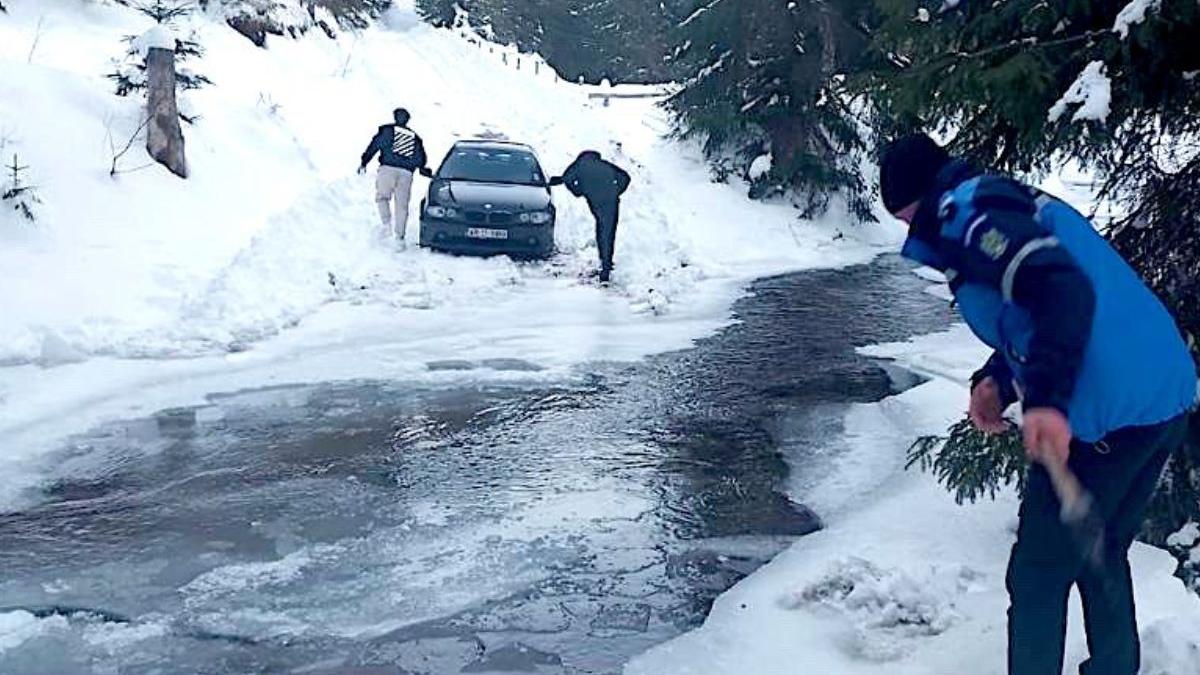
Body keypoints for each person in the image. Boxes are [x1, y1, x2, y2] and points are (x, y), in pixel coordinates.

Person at [879, 133, 1197, 675]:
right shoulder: (1000, 200)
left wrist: (1046, 401)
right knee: (1103, 547)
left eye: (906, 218)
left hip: (1106, 413)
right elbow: (1030, 308)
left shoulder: (964, 215)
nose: (911, 230)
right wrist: (997, 382)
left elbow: (1061, 290)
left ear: (918, 199)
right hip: (1163, 395)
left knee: (1038, 574)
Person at [550, 150, 631, 284]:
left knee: (602, 228)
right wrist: (616, 191)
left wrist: (579, 191)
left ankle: (604, 263)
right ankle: (607, 262)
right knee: (609, 231)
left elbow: (567, 178)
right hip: (612, 200)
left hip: (596, 201)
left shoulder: (578, 165)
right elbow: (625, 177)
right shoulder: (605, 164)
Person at [359, 108, 428, 244]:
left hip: (387, 169)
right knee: (402, 205)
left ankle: (386, 224)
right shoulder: (415, 137)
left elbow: (375, 146)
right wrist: (417, 167)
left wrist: (364, 162)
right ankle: (400, 236)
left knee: (382, 197)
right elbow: (421, 159)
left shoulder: (387, 131)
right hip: (407, 174)